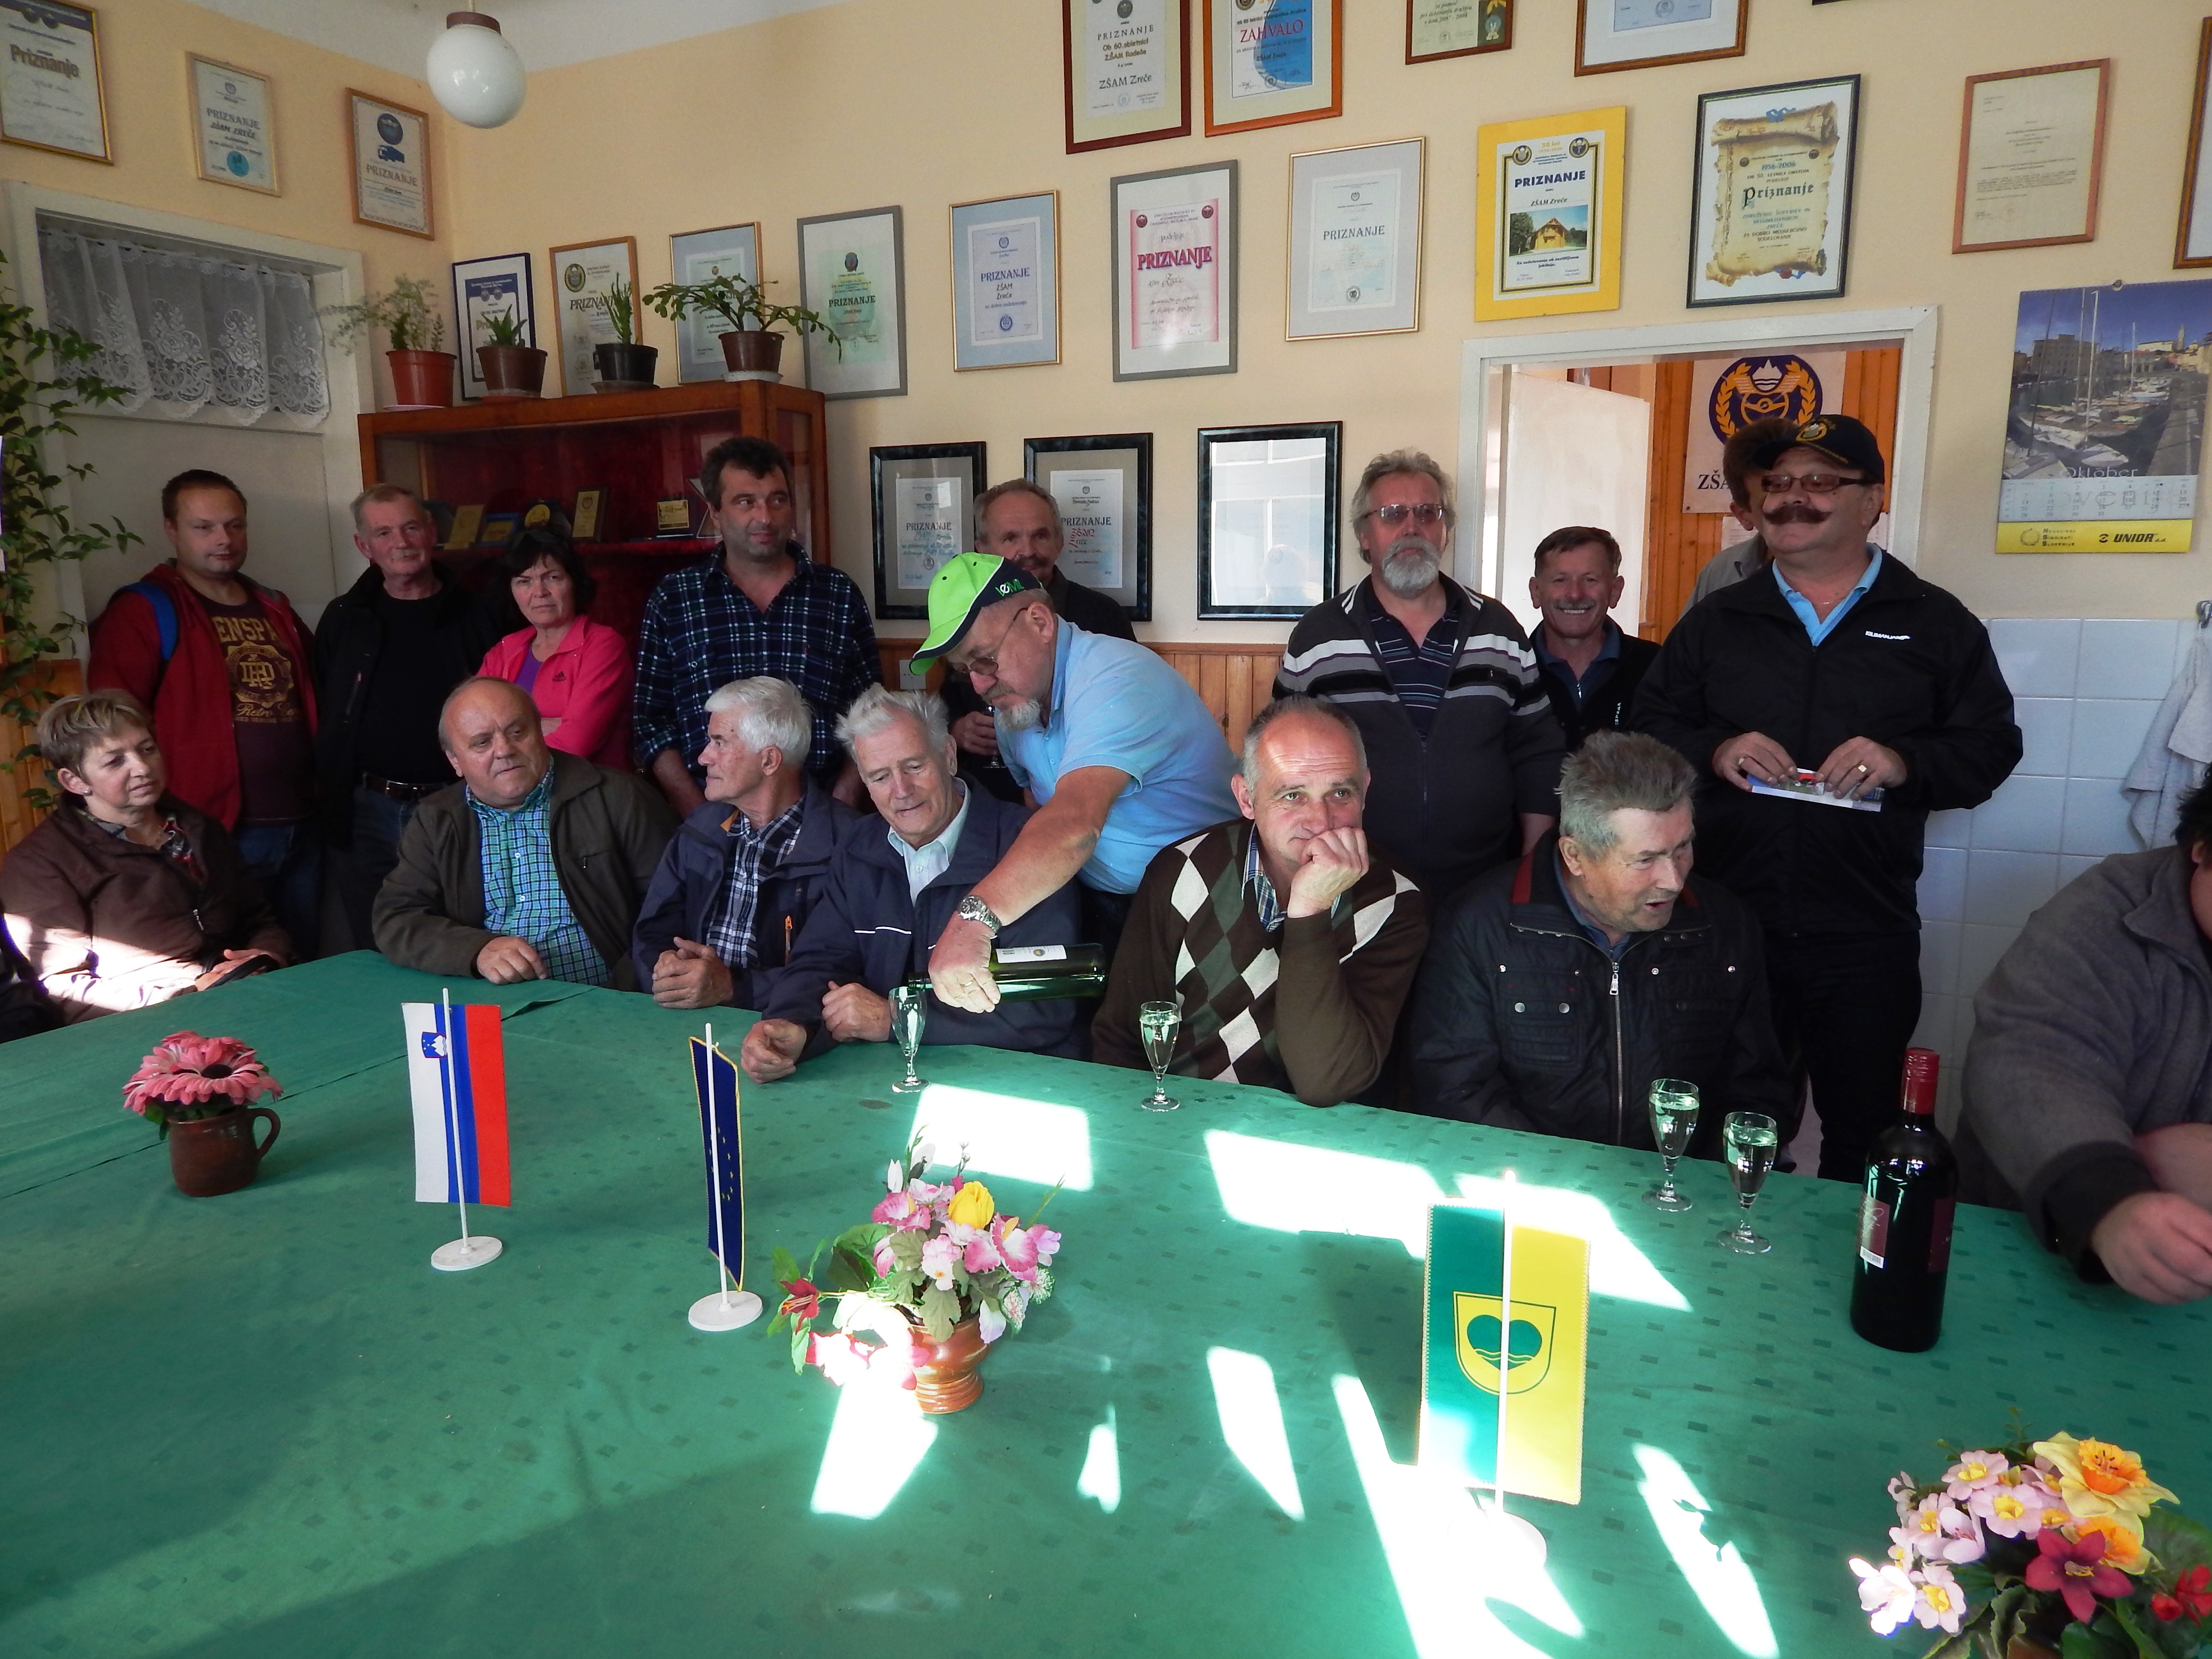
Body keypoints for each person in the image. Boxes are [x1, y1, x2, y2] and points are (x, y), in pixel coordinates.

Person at [1635, 413, 2021, 1180]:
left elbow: (1990, 748)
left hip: (1863, 930)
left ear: (1871, 500)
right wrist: (1716, 749)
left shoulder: (1934, 623)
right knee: (1733, 1123)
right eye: (1778, 482)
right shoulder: (1719, 621)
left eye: (1819, 481)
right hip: (1728, 920)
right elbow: (1648, 726)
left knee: (1863, 1131)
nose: (1792, 498)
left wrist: (1903, 762)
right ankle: (1732, 1247)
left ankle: (1847, 1253)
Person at [1408, 731, 1789, 1146]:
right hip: (1532, 1176)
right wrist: (1555, 1176)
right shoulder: (1479, 926)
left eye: (1682, 848)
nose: (1674, 880)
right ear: (1575, 856)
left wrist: (1696, 1178)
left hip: (1681, 1179)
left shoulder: (1726, 926)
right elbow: (1456, 1087)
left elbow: (1755, 1089)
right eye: (1645, 860)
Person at [907, 553, 1239, 1007]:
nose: (981, 685)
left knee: (1187, 1047)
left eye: (985, 660)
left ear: (1040, 622)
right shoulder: (1015, 709)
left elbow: (1074, 824)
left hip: (1212, 902)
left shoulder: (1115, 677)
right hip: (1112, 904)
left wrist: (971, 923)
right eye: (966, 670)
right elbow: (1036, 808)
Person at [1093, 696, 1428, 1107]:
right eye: (1293, 796)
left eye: (1341, 792)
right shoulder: (1183, 871)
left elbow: (1326, 1081)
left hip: (1310, 1134)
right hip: (1180, 1117)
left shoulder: (1394, 901)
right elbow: (1122, 1039)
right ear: (1247, 798)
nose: (1321, 821)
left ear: (1366, 791)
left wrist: (1310, 909)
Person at [740, 687, 1086, 1082]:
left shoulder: (1025, 847)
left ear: (949, 755)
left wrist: (897, 1018)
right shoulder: (858, 847)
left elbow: (1043, 1010)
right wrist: (792, 1024)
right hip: (887, 1080)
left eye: (915, 766)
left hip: (1016, 1083)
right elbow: (820, 960)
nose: (901, 791)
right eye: (880, 776)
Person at [1958, 779, 2212, 1305]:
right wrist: (2108, 1197)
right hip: (2037, 1242)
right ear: (2202, 847)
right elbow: (2029, 1056)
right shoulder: (2107, 908)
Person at [1274, 449, 1564, 904]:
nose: (1412, 527)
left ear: (1445, 531)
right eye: (1393, 514)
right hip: (1354, 883)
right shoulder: (1318, 637)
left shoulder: (1499, 630)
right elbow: (1283, 764)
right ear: (1364, 536)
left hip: (1485, 883)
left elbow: (1538, 752)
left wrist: (1533, 865)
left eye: (1429, 513)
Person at [88, 469, 321, 955]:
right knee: (228, 965)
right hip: (213, 832)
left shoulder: (273, 606)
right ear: (172, 530)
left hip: (303, 825)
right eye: (204, 527)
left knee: (302, 960)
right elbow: (111, 727)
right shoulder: (144, 610)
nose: (224, 540)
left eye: (235, 526)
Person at [0, 692, 289, 1022]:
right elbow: (63, 987)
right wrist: (189, 997)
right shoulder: (39, 864)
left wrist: (267, 955)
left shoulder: (200, 828)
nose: (142, 767)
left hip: (246, 991)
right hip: (147, 1021)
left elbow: (259, 919)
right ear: (74, 781)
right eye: (115, 761)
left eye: (147, 749)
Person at [632, 435, 878, 817]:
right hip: (709, 813)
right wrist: (700, 818)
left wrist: (839, 810)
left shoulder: (837, 595)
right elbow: (651, 725)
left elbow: (869, 713)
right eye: (745, 502)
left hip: (819, 813)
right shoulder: (675, 600)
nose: (765, 517)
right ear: (715, 512)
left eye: (777, 500)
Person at [373, 678, 675, 988]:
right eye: (482, 742)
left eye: (518, 732)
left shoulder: (619, 798)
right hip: (491, 1003)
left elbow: (672, 911)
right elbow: (397, 917)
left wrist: (622, 995)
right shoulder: (437, 819)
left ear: (540, 732)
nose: (504, 750)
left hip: (603, 998)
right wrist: (476, 951)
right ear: (455, 761)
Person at [316, 483, 502, 952]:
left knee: (462, 935)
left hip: (460, 804)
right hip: (367, 811)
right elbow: (326, 709)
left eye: (411, 527)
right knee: (373, 944)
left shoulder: (479, 614)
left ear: (432, 532)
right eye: (384, 533)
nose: (401, 542)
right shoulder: (344, 618)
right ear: (364, 546)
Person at [631, 676, 860, 1010]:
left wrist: (732, 988)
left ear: (769, 761)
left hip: (785, 1024)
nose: (703, 758)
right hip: (687, 1015)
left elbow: (840, 971)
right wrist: (665, 967)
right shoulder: (701, 829)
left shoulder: (847, 847)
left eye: (720, 742)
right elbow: (652, 933)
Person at [942, 480, 1134, 804]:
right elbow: (947, 700)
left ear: (1060, 542)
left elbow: (1123, 719)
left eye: (1040, 536)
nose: (1028, 550)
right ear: (982, 549)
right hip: (981, 801)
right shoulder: (965, 618)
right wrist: (957, 729)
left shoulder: (1103, 615)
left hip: (1078, 798)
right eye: (1011, 538)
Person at [479, 525, 634, 771]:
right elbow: (474, 733)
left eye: (552, 577)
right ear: (512, 591)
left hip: (588, 790)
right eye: (524, 581)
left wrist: (507, 735)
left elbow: (576, 745)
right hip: (513, 792)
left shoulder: (602, 645)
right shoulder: (504, 650)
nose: (539, 592)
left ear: (574, 582)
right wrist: (546, 725)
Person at [1527, 525, 1659, 752]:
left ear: (1615, 591)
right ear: (1536, 591)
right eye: (1560, 580)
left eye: (1590, 580)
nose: (1575, 594)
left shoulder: (1656, 666)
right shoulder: (1510, 670)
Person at [1680, 417, 1794, 616]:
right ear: (1743, 515)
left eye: (1814, 485)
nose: (1798, 504)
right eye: (1773, 501)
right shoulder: (1720, 573)